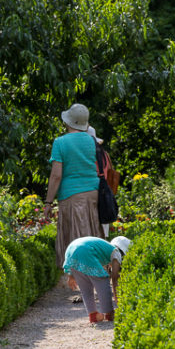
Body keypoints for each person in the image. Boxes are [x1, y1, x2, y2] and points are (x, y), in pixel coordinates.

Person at [43, 103, 103, 267]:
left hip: (72, 197)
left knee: (76, 240)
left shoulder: (60, 142)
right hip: (94, 193)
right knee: (92, 234)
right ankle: (95, 278)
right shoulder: (92, 141)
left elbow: (56, 176)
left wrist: (48, 202)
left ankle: (80, 281)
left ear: (68, 121)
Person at [62, 235, 132, 323]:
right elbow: (115, 278)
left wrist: (71, 275)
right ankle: (109, 312)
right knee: (102, 280)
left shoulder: (105, 248)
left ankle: (93, 314)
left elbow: (78, 255)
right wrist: (117, 300)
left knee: (85, 288)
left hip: (71, 250)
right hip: (85, 251)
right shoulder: (116, 252)